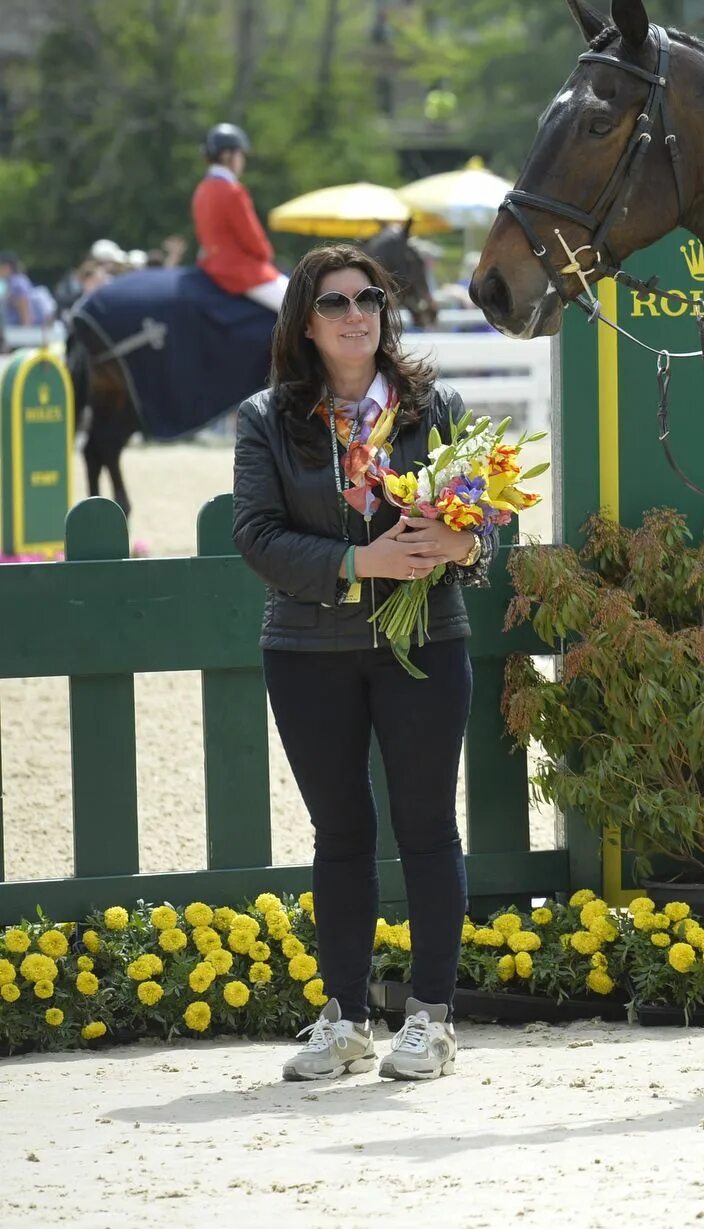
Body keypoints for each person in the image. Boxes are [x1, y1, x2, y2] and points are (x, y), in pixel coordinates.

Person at [230, 245, 487, 1082]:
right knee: (340, 833)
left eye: (368, 298)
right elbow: (256, 536)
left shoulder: (433, 406)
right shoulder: (265, 418)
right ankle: (342, 1018)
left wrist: (463, 538)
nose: (355, 314)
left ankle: (433, 1018)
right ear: (305, 322)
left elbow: (491, 517)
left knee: (426, 827)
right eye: (335, 302)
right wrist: (359, 564)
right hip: (309, 652)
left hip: (426, 646)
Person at [193, 122, 287, 310]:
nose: (243, 160)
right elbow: (253, 238)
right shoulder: (232, 190)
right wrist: (267, 254)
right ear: (227, 155)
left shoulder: (201, 190)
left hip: (208, 266)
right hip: (239, 271)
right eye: (241, 154)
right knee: (302, 307)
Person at [0, 250, 54, 330]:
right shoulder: (12, 281)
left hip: (20, 331)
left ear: (6, 267)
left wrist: (26, 331)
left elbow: (24, 305)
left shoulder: (17, 283)